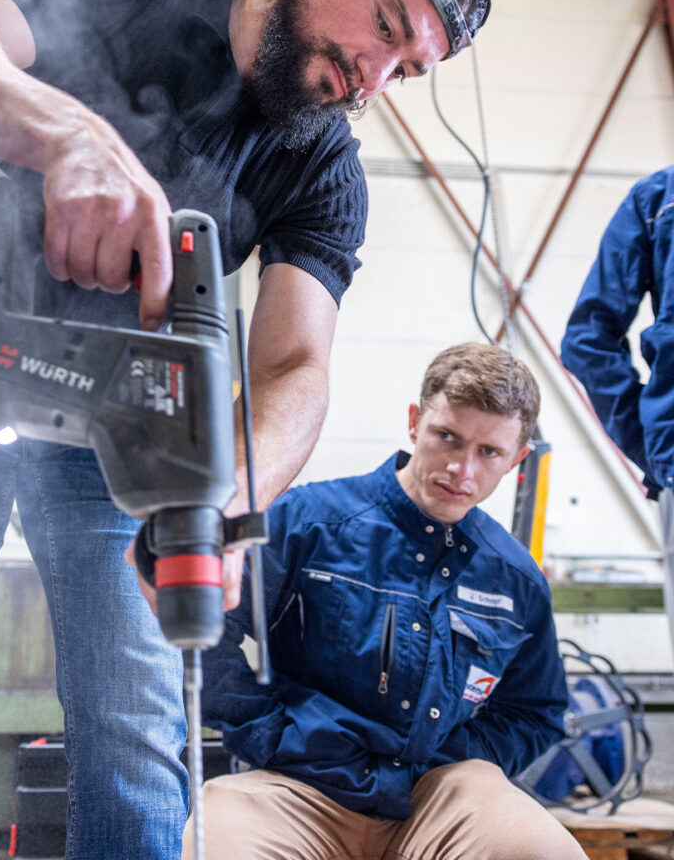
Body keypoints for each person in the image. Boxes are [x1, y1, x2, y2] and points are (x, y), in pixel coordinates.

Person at [0, 0, 494, 860]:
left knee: (137, 745)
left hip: (127, 425)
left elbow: (296, 365)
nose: (374, 75)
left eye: (408, 67)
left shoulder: (322, 168)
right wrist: (65, 134)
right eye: (386, 25)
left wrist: (230, 498)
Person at [189, 342, 584, 860]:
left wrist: (460, 758)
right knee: (212, 849)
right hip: (297, 785)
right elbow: (204, 627)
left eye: (488, 452)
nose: (462, 469)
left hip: (437, 795)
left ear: (516, 458)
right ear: (415, 422)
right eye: (447, 437)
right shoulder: (307, 522)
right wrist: (268, 734)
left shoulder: (516, 578)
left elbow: (534, 709)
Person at [561, 164, 674, 668]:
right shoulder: (657, 199)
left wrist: (658, 453)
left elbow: (587, 341)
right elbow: (588, 342)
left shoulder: (659, 196)